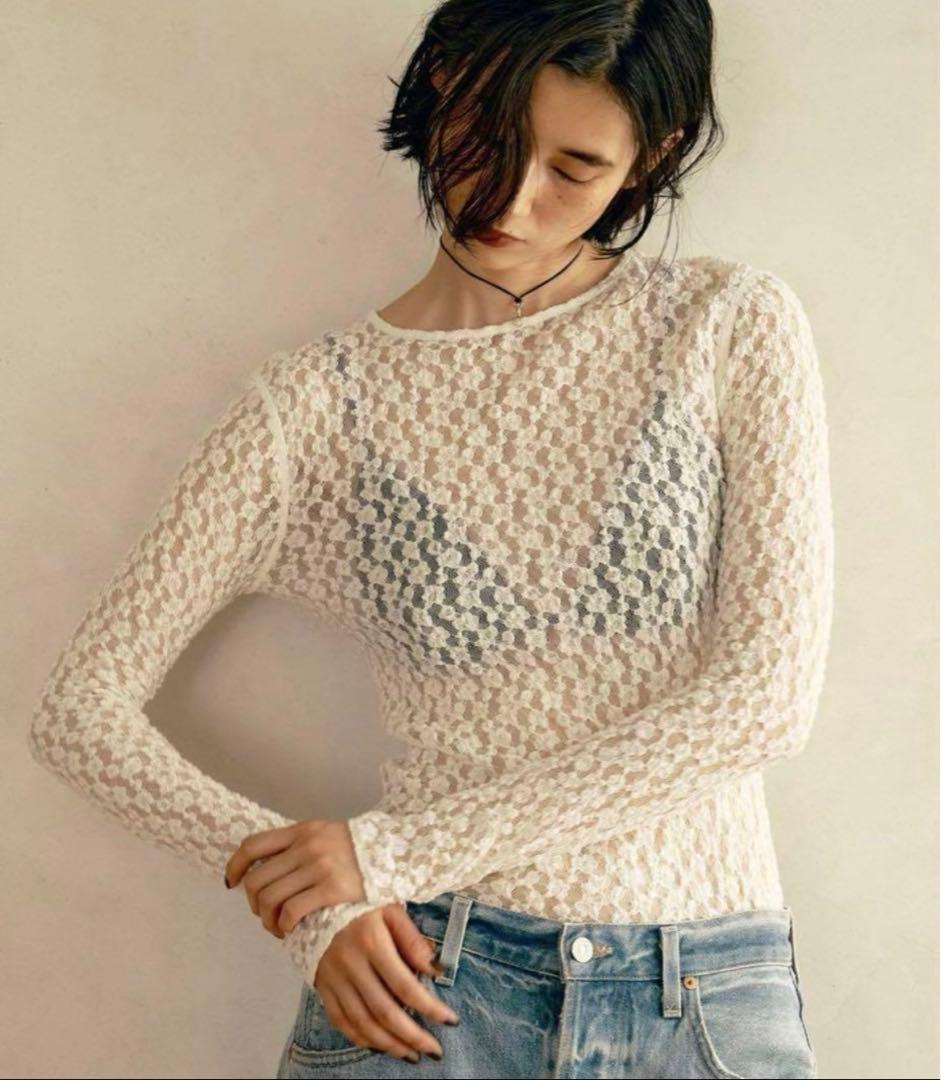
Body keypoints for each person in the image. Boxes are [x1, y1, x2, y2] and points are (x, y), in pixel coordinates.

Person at [27, 1, 834, 1078]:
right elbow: (78, 714)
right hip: (425, 987)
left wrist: (387, 852)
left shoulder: (724, 324)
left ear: (653, 155)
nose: (510, 197)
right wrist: (314, 905)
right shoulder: (311, 408)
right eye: (487, 140)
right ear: (442, 86)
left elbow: (763, 700)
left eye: (574, 168)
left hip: (694, 999)